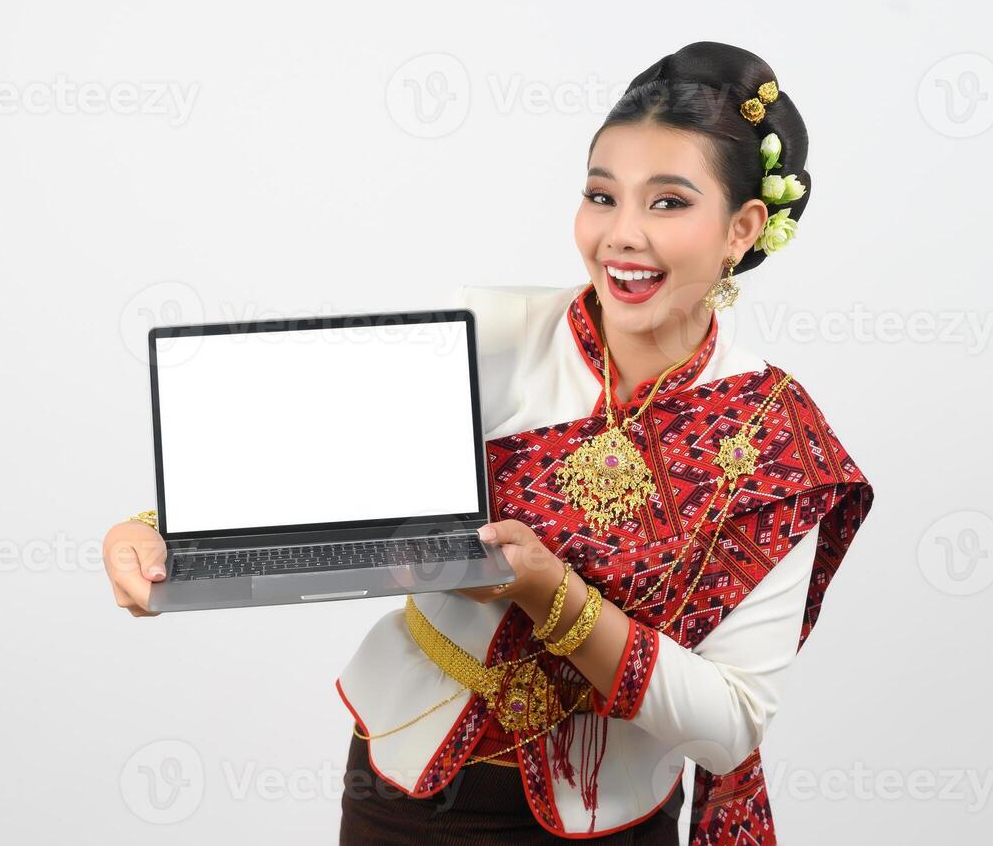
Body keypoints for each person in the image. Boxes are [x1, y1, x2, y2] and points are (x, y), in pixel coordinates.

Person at [102, 42, 876, 844]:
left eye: (669, 203)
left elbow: (728, 726)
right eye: (600, 196)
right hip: (405, 786)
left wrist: (553, 598)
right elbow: (323, 472)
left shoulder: (774, 438)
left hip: (610, 810)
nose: (621, 235)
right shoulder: (486, 332)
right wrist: (157, 530)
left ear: (741, 228)